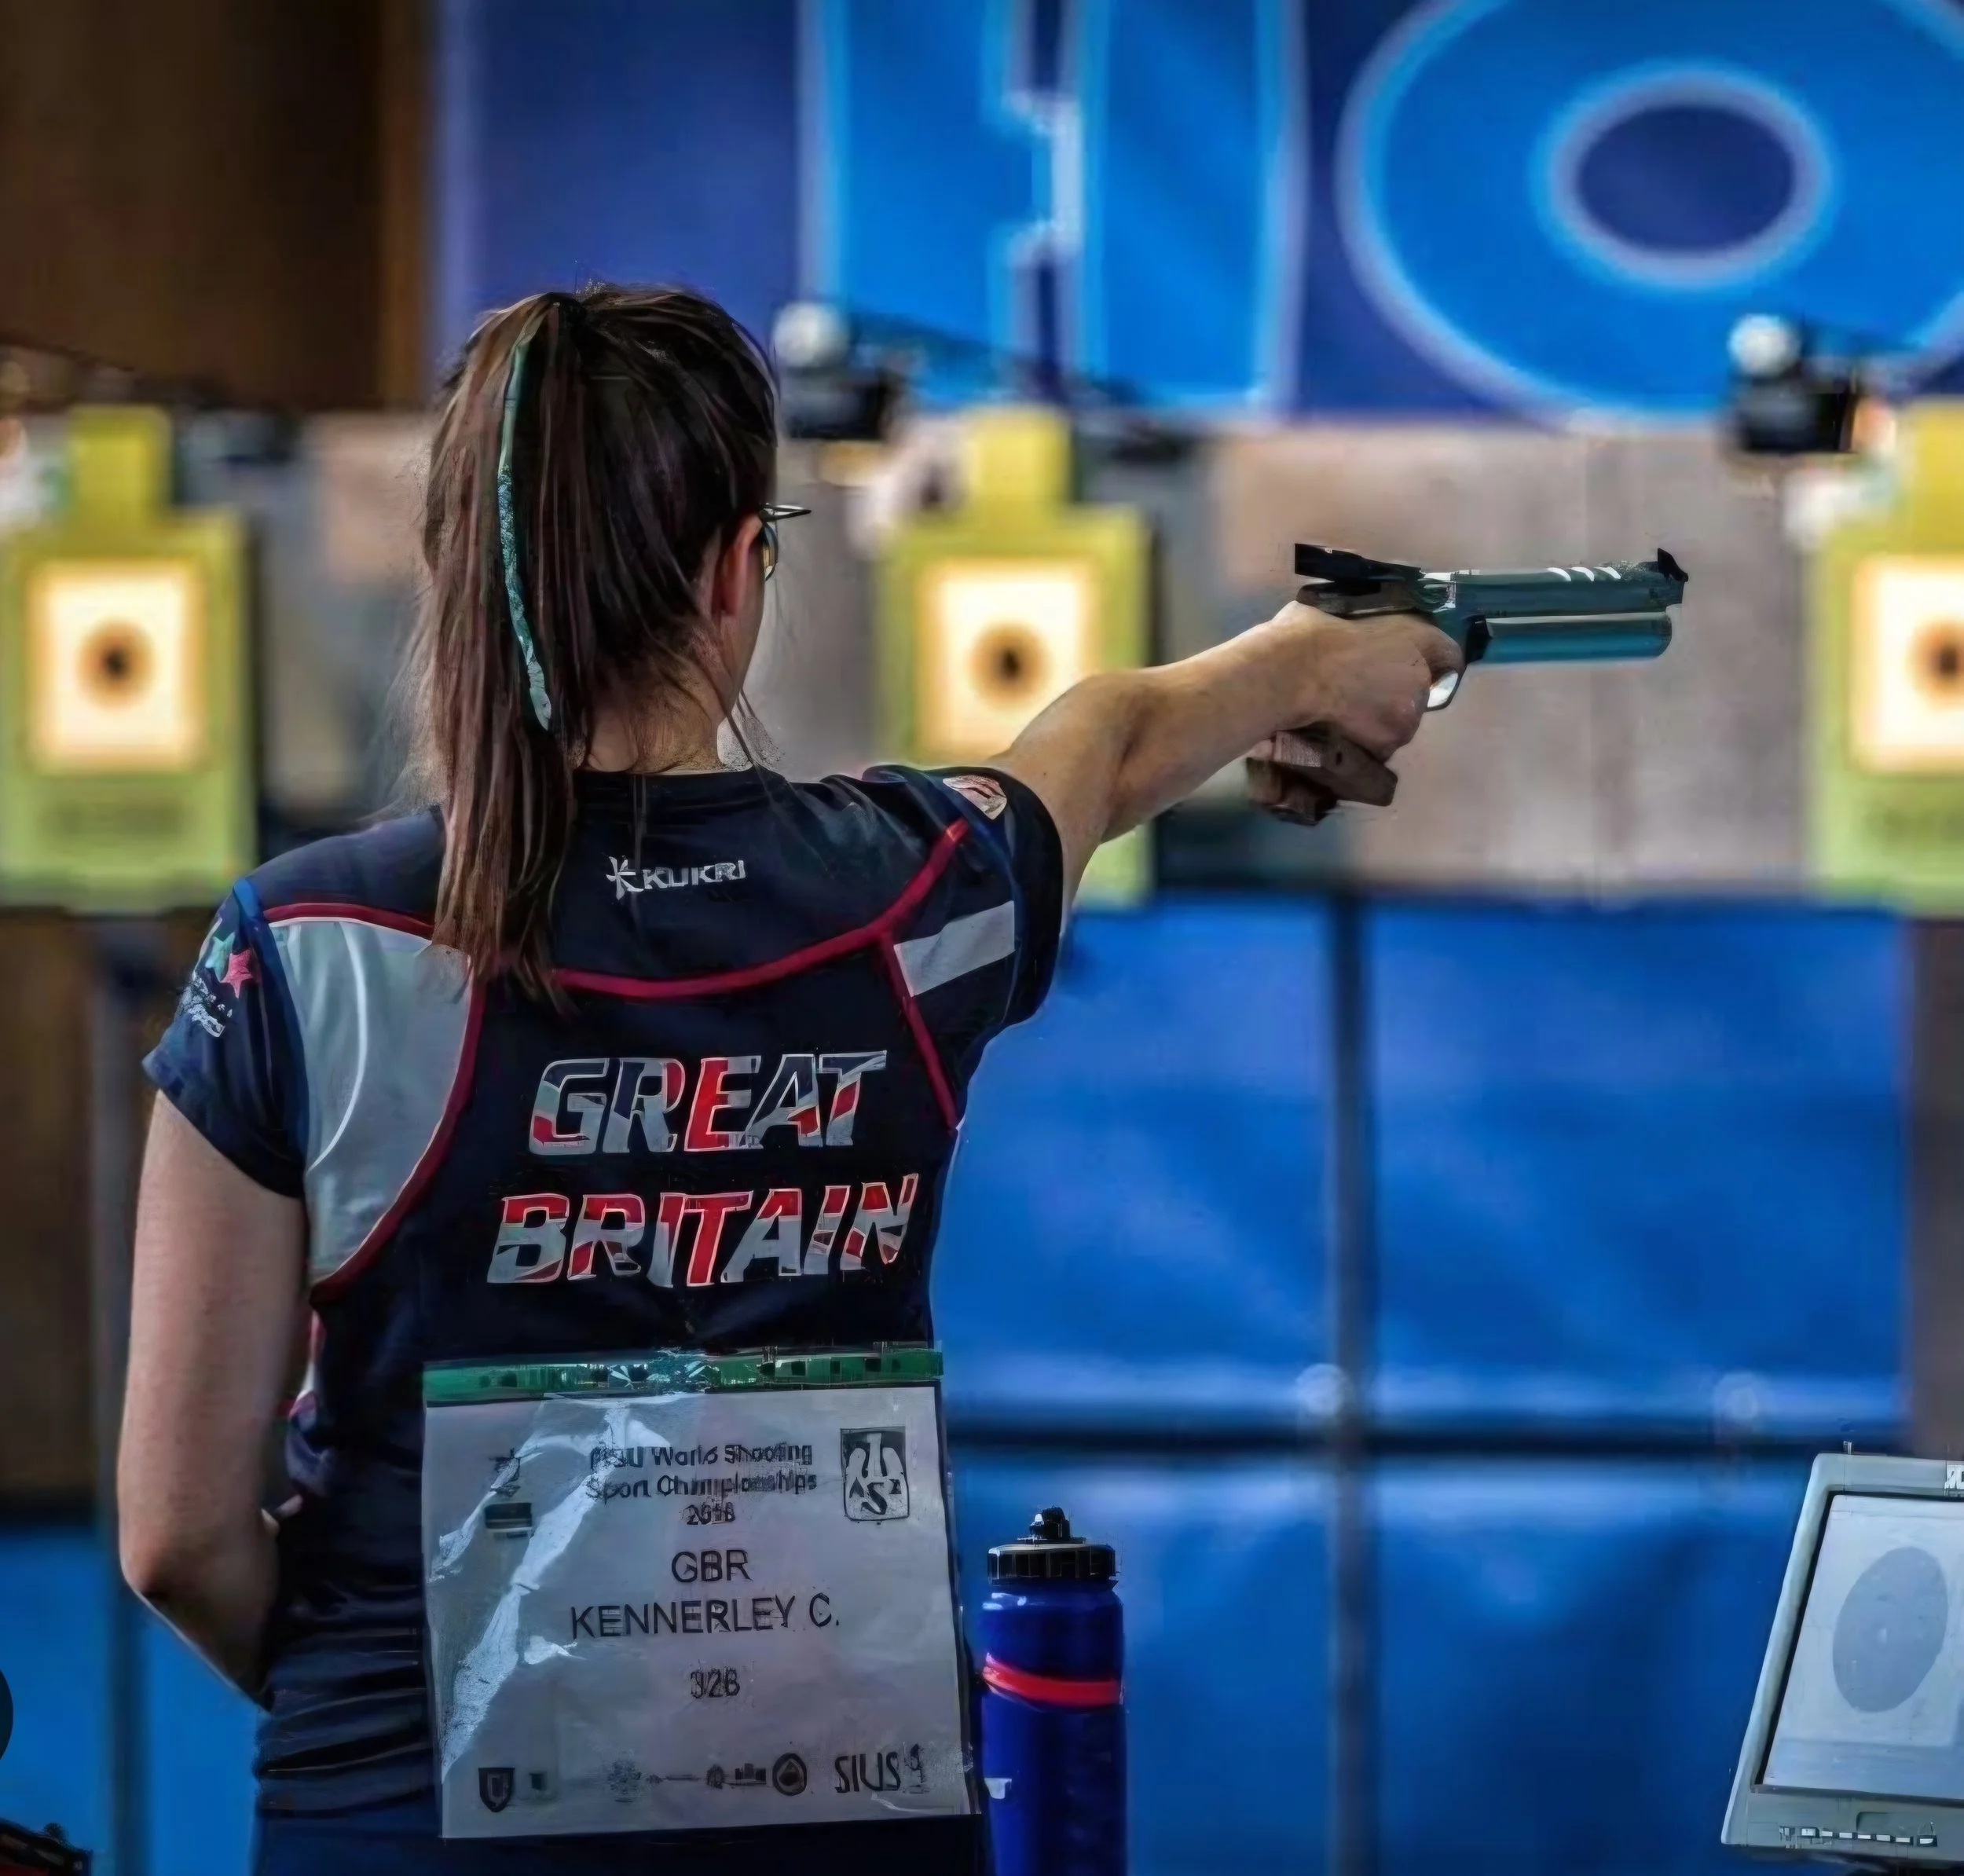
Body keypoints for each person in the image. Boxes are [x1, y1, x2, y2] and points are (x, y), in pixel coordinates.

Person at [116, 284, 1459, 1874]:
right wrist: (1312, 653)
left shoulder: (307, 941)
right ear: (738, 569)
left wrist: (421, 1709)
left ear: (449, 573)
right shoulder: (910, 894)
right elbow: (1101, 741)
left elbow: (180, 1539)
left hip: (401, 1816)